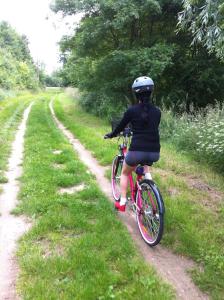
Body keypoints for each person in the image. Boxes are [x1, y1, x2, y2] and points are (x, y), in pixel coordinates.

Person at [105, 76, 161, 212]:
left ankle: (123, 201)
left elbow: (120, 126)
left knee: (124, 173)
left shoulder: (132, 111)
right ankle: (148, 181)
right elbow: (150, 128)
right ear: (151, 92)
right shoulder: (157, 112)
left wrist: (112, 134)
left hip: (137, 151)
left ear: (136, 93)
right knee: (144, 164)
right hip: (154, 152)